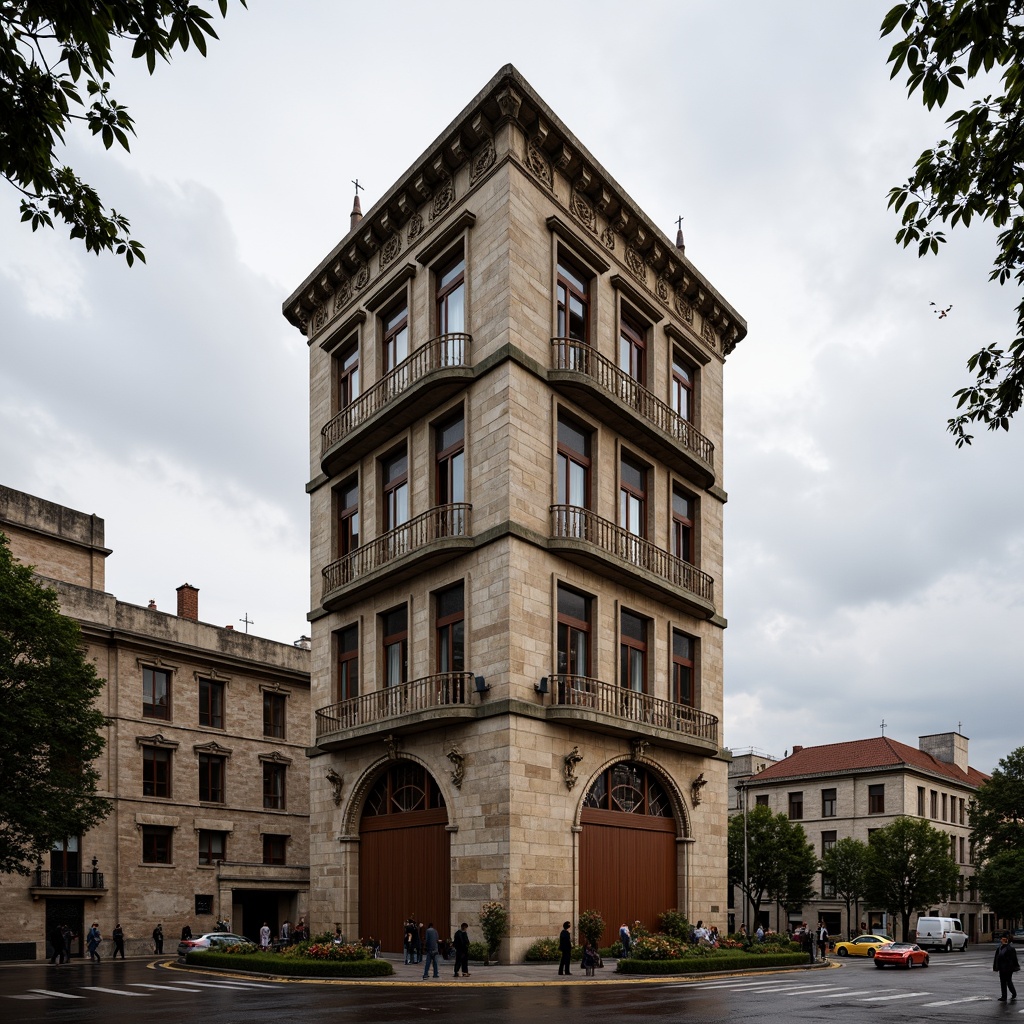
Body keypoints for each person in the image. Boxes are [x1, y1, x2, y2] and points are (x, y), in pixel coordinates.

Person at [994, 931, 1020, 1002]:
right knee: (1002, 982)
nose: (1001, 940)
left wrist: (1015, 967)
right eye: (1001, 939)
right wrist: (996, 967)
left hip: (1008, 968)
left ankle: (1013, 993)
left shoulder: (1010, 949)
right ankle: (1004, 996)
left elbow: (1014, 959)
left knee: (1008, 981)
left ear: (1006, 940)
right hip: (1001, 968)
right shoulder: (999, 948)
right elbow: (996, 958)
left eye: (1003, 939)